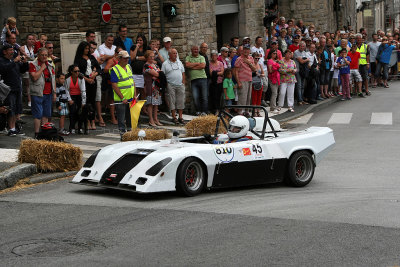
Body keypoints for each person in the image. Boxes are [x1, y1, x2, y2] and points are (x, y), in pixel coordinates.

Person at [0, 44, 28, 136]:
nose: (12, 52)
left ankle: (14, 127)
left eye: (13, 50)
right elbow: (4, 69)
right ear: (4, 52)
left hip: (17, 88)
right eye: (10, 50)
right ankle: (11, 128)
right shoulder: (2, 60)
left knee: (16, 109)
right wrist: (14, 62)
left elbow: (23, 70)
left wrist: (24, 62)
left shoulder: (13, 61)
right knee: (10, 109)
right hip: (8, 89)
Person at [29, 48, 56, 138]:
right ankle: (36, 133)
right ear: (38, 55)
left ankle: (44, 132)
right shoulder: (33, 64)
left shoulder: (50, 65)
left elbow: (53, 79)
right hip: (38, 92)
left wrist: (54, 93)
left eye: (46, 55)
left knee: (46, 114)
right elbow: (34, 77)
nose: (44, 57)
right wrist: (42, 68)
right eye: (42, 55)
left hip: (48, 93)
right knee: (38, 114)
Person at [74, 41, 100, 130]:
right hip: (84, 82)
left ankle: (92, 120)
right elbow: (77, 72)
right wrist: (87, 79)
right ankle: (86, 121)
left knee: (92, 101)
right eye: (86, 49)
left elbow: (99, 68)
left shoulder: (92, 57)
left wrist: (94, 74)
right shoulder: (78, 58)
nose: (87, 50)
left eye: (88, 49)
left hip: (93, 81)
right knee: (85, 101)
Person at [110, 50, 136, 135]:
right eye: (125, 58)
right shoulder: (115, 69)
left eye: (127, 58)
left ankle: (129, 134)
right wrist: (122, 98)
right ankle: (122, 134)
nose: (127, 60)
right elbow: (114, 85)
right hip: (122, 99)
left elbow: (132, 81)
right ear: (119, 59)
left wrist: (135, 95)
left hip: (130, 98)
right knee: (121, 119)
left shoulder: (129, 67)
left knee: (129, 118)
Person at [161, 48, 185, 125]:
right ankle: (174, 117)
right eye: (173, 53)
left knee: (180, 101)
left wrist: (183, 82)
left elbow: (183, 73)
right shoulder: (165, 64)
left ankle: (180, 117)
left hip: (180, 84)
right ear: (169, 55)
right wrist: (166, 84)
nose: (175, 55)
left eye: (176, 53)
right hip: (170, 84)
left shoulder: (179, 62)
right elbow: (162, 75)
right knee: (172, 101)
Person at [185, 45, 208, 115]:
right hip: (193, 80)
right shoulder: (188, 57)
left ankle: (204, 112)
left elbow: (203, 66)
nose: (196, 51)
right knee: (195, 97)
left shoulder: (202, 57)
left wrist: (192, 66)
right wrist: (198, 64)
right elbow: (187, 65)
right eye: (194, 49)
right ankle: (198, 111)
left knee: (204, 96)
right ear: (191, 50)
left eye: (197, 49)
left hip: (203, 78)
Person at [233, 44, 256, 113]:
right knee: (242, 97)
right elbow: (235, 71)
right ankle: (240, 113)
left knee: (248, 98)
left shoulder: (251, 58)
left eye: (247, 49)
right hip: (242, 80)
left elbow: (254, 69)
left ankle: (246, 112)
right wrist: (238, 82)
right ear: (242, 50)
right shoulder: (239, 59)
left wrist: (249, 63)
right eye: (245, 49)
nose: (246, 51)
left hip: (249, 80)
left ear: (249, 51)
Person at [103, 46, 123, 125]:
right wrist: (115, 68)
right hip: (112, 83)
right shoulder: (112, 60)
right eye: (119, 53)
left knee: (120, 100)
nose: (121, 55)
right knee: (112, 100)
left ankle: (119, 117)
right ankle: (113, 118)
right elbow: (105, 69)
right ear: (115, 53)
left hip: (121, 83)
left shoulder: (123, 61)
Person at [65, 64, 86, 134]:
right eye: (75, 71)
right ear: (71, 72)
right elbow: (66, 90)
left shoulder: (81, 78)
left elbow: (83, 90)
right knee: (72, 112)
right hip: (71, 96)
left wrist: (83, 102)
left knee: (80, 112)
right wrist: (69, 99)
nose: (77, 73)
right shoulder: (67, 79)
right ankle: (72, 127)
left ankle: (80, 127)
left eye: (78, 71)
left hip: (79, 96)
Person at [143, 50, 162, 126]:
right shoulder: (146, 65)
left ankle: (156, 119)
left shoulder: (155, 65)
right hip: (149, 85)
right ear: (147, 57)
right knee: (150, 103)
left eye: (153, 56)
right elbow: (157, 74)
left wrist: (157, 74)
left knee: (156, 103)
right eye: (151, 56)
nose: (152, 58)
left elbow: (160, 73)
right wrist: (157, 74)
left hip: (156, 86)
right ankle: (151, 120)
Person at [130, 34, 148, 103]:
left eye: (140, 40)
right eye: (138, 40)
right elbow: (132, 58)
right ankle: (136, 105)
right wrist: (136, 48)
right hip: (135, 72)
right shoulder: (133, 47)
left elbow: (147, 57)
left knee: (143, 90)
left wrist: (137, 58)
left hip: (143, 73)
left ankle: (143, 107)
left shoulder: (146, 48)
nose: (139, 41)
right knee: (136, 90)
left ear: (143, 41)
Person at [209, 50, 224, 114]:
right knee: (213, 96)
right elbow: (210, 73)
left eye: (215, 55)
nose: (214, 57)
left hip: (220, 82)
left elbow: (222, 72)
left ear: (217, 56)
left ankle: (219, 109)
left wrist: (215, 73)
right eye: (212, 55)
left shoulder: (220, 63)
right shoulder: (210, 64)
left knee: (219, 96)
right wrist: (218, 73)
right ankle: (214, 110)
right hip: (213, 83)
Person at [22, 34, 35, 107]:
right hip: (27, 67)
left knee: (34, 83)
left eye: (32, 39)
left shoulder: (34, 48)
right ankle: (29, 100)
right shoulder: (23, 48)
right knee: (28, 84)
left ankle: (34, 99)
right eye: (29, 39)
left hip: (33, 67)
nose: (31, 40)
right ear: (27, 40)